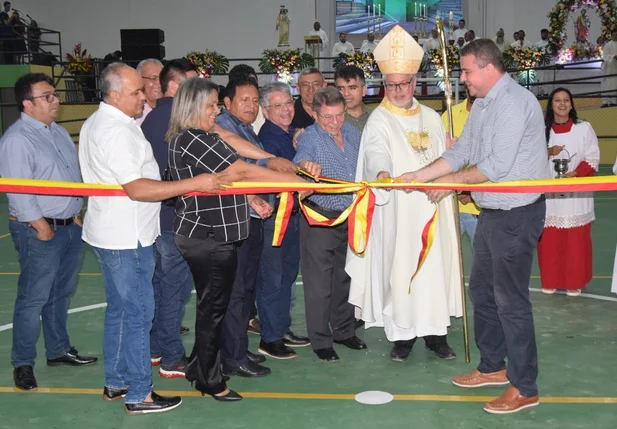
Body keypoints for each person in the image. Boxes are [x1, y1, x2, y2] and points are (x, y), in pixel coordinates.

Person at [397, 39, 549, 414]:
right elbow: (462, 151)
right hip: (492, 214)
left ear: (488, 68)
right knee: (482, 291)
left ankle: (525, 386)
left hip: (517, 214)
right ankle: (493, 366)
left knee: (511, 301)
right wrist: (422, 174)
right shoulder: (483, 105)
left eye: (466, 71)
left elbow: (495, 166)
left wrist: (445, 185)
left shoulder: (515, 103)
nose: (463, 79)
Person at [79, 63, 226, 414]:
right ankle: (139, 394)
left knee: (120, 311)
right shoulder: (114, 131)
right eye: (135, 92)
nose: (143, 97)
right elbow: (137, 188)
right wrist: (195, 183)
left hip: (115, 233)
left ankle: (117, 383)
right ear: (114, 95)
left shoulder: (107, 123)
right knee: (138, 315)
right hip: (126, 237)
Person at [166, 77, 310, 400]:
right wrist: (291, 181)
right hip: (207, 234)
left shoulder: (205, 133)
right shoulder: (192, 139)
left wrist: (269, 160)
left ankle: (198, 365)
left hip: (216, 233)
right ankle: (210, 379)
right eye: (210, 105)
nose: (216, 111)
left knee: (213, 306)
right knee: (213, 309)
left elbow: (233, 141)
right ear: (192, 107)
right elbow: (240, 170)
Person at [346, 25, 461, 363]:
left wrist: (450, 164)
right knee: (402, 268)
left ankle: (436, 335)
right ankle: (402, 337)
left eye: (403, 83)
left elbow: (445, 159)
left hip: (433, 206)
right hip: (398, 207)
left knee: (434, 269)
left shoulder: (432, 117)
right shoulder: (379, 119)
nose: (397, 90)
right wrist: (382, 173)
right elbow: (376, 152)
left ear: (414, 82)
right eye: (391, 84)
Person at [0, 73, 98, 391]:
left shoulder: (54, 132)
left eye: (54, 94)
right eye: (47, 96)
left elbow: (69, 177)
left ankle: (58, 350)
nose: (54, 100)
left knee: (60, 293)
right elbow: (17, 190)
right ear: (27, 104)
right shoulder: (17, 139)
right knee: (33, 298)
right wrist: (40, 225)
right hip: (40, 229)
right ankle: (23, 363)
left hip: (67, 225)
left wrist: (76, 211)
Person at [294, 87, 367, 362]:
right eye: (327, 118)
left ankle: (344, 330)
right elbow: (301, 158)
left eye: (339, 116)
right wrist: (307, 166)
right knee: (318, 284)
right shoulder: (310, 138)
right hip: (319, 218)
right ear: (315, 114)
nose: (334, 123)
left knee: (344, 277)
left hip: (349, 215)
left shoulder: (352, 133)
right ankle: (321, 340)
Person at [215, 77, 277, 378]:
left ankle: (238, 348)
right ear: (227, 102)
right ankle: (233, 356)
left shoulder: (247, 130)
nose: (251, 106)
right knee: (235, 291)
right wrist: (253, 197)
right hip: (234, 218)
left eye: (255, 101)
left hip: (251, 218)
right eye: (245, 100)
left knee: (245, 288)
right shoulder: (224, 130)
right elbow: (233, 172)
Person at [141, 58, 198, 377]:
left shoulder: (151, 119)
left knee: (163, 288)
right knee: (173, 293)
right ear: (175, 86)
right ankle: (172, 357)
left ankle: (156, 347)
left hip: (161, 218)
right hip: (177, 219)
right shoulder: (176, 121)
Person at [256, 82, 312, 359]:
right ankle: (270, 336)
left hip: (293, 215)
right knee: (273, 279)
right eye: (277, 106)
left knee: (287, 276)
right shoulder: (268, 138)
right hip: (275, 217)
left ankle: (281, 327)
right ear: (265, 111)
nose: (285, 109)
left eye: (288, 103)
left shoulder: (290, 133)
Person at [538, 88, 600, 297]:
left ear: (572, 104)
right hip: (550, 197)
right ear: (551, 105)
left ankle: (575, 281)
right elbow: (530, 158)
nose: (562, 104)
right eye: (557, 101)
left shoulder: (584, 128)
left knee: (576, 241)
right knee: (550, 240)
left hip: (576, 195)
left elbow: (593, 157)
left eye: (566, 100)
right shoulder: (541, 130)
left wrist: (575, 173)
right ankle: (551, 279)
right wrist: (548, 152)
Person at [441, 87, 481, 247]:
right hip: (450, 204)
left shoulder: (493, 116)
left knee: (484, 263)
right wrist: (455, 189)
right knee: (446, 261)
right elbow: (438, 155)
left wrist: (473, 192)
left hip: (479, 209)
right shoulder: (450, 115)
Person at [334, 65, 371, 132]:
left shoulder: (377, 117)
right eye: (341, 89)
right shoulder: (330, 122)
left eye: (352, 88)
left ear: (364, 90)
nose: (346, 93)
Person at [135, 58, 163, 125]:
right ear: (139, 80)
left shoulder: (171, 108)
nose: (159, 83)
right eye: (153, 78)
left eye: (162, 78)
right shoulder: (135, 113)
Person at [601, 30, 617, 107]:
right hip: (610, 67)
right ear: (611, 35)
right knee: (609, 84)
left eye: (616, 34)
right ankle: (607, 102)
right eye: (614, 35)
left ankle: (614, 101)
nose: (615, 36)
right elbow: (605, 56)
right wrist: (613, 56)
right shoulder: (608, 45)